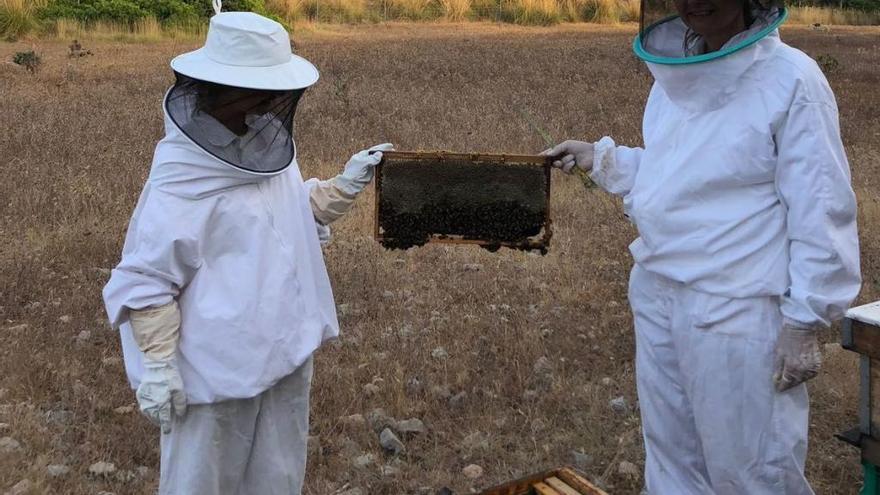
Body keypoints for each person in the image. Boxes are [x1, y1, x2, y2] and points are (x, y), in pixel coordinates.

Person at [543, 1, 860, 493]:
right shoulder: (673, 79)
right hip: (659, 291)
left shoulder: (793, 79)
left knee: (751, 470)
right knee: (672, 463)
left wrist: (805, 321)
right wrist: (602, 159)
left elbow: (820, 204)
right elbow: (681, 172)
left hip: (737, 308)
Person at [102, 6, 391, 494]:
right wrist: (158, 367)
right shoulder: (182, 177)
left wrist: (344, 185)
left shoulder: (263, 150)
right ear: (226, 89)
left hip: (285, 351)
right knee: (203, 484)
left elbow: (286, 214)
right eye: (263, 90)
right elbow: (147, 280)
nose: (272, 101)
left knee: (277, 480)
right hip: (217, 374)